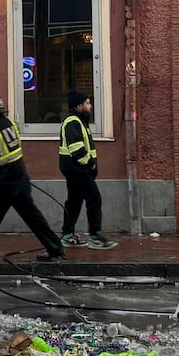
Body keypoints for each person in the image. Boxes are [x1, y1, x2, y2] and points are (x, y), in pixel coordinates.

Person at [0, 94, 65, 262]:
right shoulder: (10, 124)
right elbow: (2, 149)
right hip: (20, 176)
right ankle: (55, 248)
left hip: (7, 181)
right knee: (32, 216)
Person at [59, 90, 117, 249]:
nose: (90, 106)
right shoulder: (73, 122)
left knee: (74, 202)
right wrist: (90, 163)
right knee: (94, 198)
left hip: (75, 169)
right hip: (77, 169)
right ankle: (95, 236)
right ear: (79, 106)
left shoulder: (80, 121)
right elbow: (76, 148)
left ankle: (67, 235)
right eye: (88, 103)